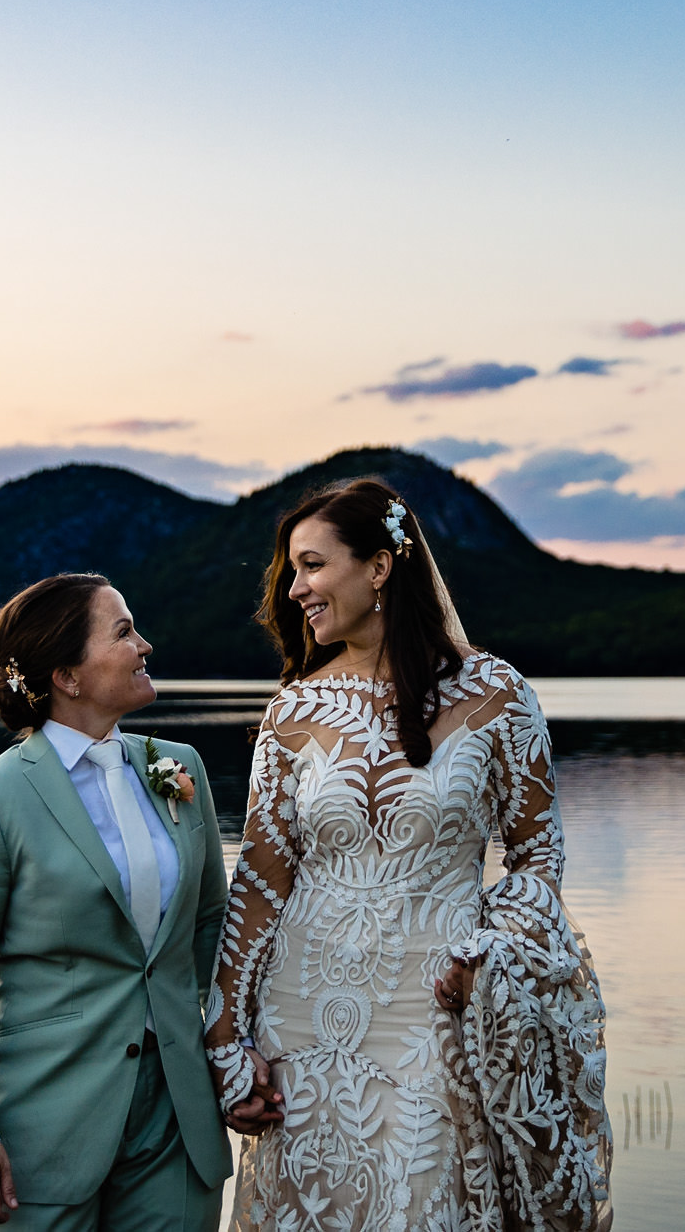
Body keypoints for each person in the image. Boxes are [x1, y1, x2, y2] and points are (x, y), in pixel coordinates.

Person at [204, 478, 613, 1231]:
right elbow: (261, 880)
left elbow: (537, 860)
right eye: (292, 571)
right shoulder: (292, 712)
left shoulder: (498, 695)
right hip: (304, 1021)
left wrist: (490, 950)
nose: (296, 589)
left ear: (381, 568)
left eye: (313, 565)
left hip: (436, 1012)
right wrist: (226, 1036)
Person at [0, 574, 232, 1230]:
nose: (145, 644)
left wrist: (231, 1050)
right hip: (43, 1125)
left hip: (177, 1119)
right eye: (123, 631)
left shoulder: (181, 770)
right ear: (67, 674)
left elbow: (210, 927)